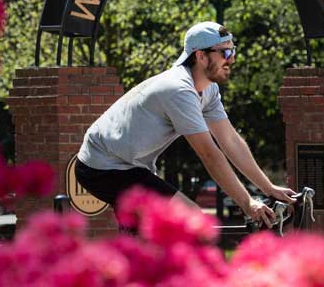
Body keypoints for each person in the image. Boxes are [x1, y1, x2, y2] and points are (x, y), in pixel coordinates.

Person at [74, 21, 295, 226]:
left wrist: (268, 187)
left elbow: (230, 141)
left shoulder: (208, 89)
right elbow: (210, 154)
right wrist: (247, 203)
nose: (232, 59)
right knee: (191, 221)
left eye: (233, 51)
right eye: (226, 52)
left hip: (130, 166)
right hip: (102, 167)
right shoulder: (178, 90)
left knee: (162, 232)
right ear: (200, 56)